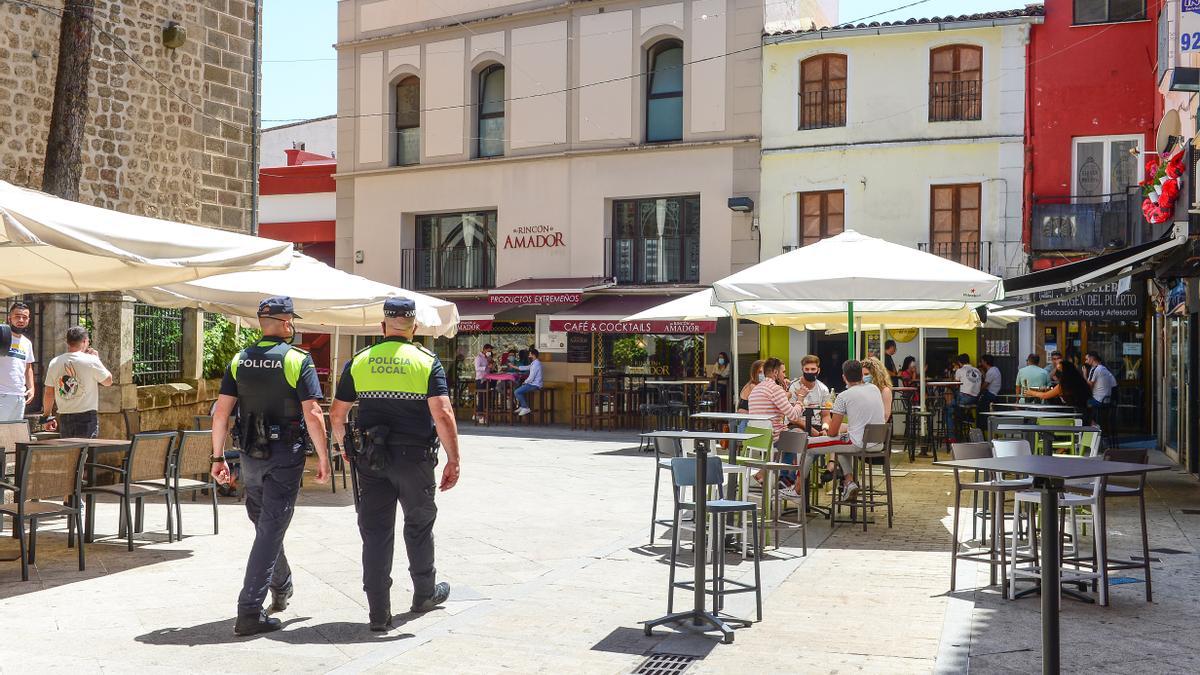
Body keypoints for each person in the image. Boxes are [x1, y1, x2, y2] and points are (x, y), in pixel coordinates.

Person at [330, 297, 460, 631]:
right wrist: (454, 458)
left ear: (382, 326)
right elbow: (442, 414)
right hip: (414, 459)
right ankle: (424, 593)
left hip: (370, 458)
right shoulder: (426, 362)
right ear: (414, 328)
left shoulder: (358, 361)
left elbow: (337, 413)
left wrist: (346, 446)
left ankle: (378, 614)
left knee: (375, 533)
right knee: (418, 524)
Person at [210, 296, 331, 637]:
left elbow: (220, 413)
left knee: (266, 525)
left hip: (249, 455)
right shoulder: (297, 360)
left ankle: (282, 585)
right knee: (270, 528)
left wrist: (218, 457)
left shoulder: (240, 359)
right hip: (283, 455)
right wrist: (323, 457)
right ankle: (249, 610)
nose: (292, 325)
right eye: (290, 320)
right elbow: (313, 413)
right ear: (282, 323)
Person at [784, 360, 886, 503]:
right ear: (861, 376)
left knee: (805, 445)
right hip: (878, 443)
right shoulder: (874, 389)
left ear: (844, 377)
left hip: (858, 443)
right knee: (840, 445)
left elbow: (832, 433)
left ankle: (796, 491)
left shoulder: (843, 396)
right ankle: (849, 482)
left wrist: (827, 433)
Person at [41, 326, 112, 439]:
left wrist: (47, 416)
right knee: (86, 453)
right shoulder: (91, 360)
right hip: (86, 416)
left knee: (70, 453)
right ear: (84, 341)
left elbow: (49, 393)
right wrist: (97, 359)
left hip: (64, 416)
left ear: (67, 342)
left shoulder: (54, 362)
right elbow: (108, 381)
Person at [747, 358, 804, 444]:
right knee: (800, 435)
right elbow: (793, 416)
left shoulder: (756, 389)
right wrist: (800, 398)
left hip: (756, 438)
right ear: (775, 373)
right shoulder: (775, 389)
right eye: (783, 372)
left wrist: (784, 390)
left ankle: (781, 457)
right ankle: (783, 458)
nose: (785, 375)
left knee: (794, 432)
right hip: (774, 438)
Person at [1025, 358, 1092, 423]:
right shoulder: (1080, 381)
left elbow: (1045, 395)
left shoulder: (1064, 385)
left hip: (1072, 415)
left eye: (1059, 370)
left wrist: (1031, 392)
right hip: (1084, 413)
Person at [0, 302, 36, 422]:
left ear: (28, 320)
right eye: (17, 316)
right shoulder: (1, 336)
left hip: (20, 396)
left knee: (13, 435)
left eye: (24, 317)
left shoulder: (27, 343)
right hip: (2, 394)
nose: (21, 320)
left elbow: (28, 367)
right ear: (9, 318)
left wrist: (31, 388)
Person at [788, 355, 831, 432]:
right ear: (802, 370)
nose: (810, 372)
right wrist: (811, 431)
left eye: (813, 369)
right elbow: (792, 417)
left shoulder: (823, 389)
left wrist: (825, 429)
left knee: (844, 427)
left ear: (818, 370)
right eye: (807, 369)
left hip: (817, 426)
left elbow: (826, 415)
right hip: (798, 425)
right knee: (797, 432)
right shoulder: (793, 387)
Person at [945, 353, 982, 441]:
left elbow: (955, 385)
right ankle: (965, 416)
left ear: (959, 362)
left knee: (948, 410)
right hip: (976, 399)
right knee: (957, 409)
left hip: (964, 399)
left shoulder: (960, 370)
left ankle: (952, 437)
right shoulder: (977, 371)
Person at [734, 359, 765, 434]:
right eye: (760, 372)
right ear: (754, 373)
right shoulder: (753, 386)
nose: (763, 374)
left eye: (764, 372)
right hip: (745, 423)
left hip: (749, 422)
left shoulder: (754, 384)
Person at [862, 357, 893, 422]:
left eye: (866, 374)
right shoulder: (861, 389)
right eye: (861, 375)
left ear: (876, 375)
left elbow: (885, 416)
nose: (863, 377)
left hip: (875, 427)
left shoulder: (885, 391)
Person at [514, 348, 542, 416]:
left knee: (517, 392)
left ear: (533, 355)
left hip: (535, 385)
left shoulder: (536, 364)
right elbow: (527, 367)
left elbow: (532, 376)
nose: (529, 355)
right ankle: (522, 406)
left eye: (530, 354)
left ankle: (525, 407)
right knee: (520, 391)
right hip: (532, 384)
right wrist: (515, 367)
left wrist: (525, 382)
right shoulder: (534, 363)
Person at [473, 343, 494, 424]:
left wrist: (491, 364)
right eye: (489, 351)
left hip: (487, 379)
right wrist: (486, 367)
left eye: (490, 351)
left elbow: (490, 367)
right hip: (480, 379)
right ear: (485, 349)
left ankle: (481, 415)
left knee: (486, 397)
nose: (490, 352)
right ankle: (480, 415)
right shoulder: (478, 357)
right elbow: (477, 368)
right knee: (481, 397)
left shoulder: (488, 358)